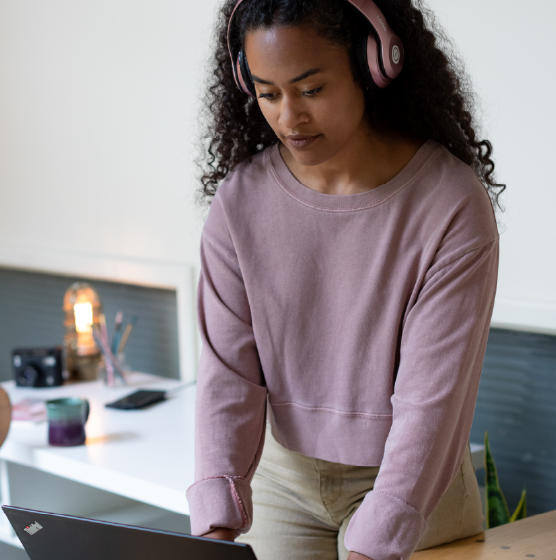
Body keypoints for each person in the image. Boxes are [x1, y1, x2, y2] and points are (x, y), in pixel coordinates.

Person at [188, 1, 504, 560]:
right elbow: (227, 376)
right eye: (268, 92)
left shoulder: (450, 206)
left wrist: (376, 542)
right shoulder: (239, 204)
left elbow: (431, 403)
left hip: (412, 485)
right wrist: (215, 523)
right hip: (284, 482)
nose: (289, 118)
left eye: (311, 90)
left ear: (373, 65)